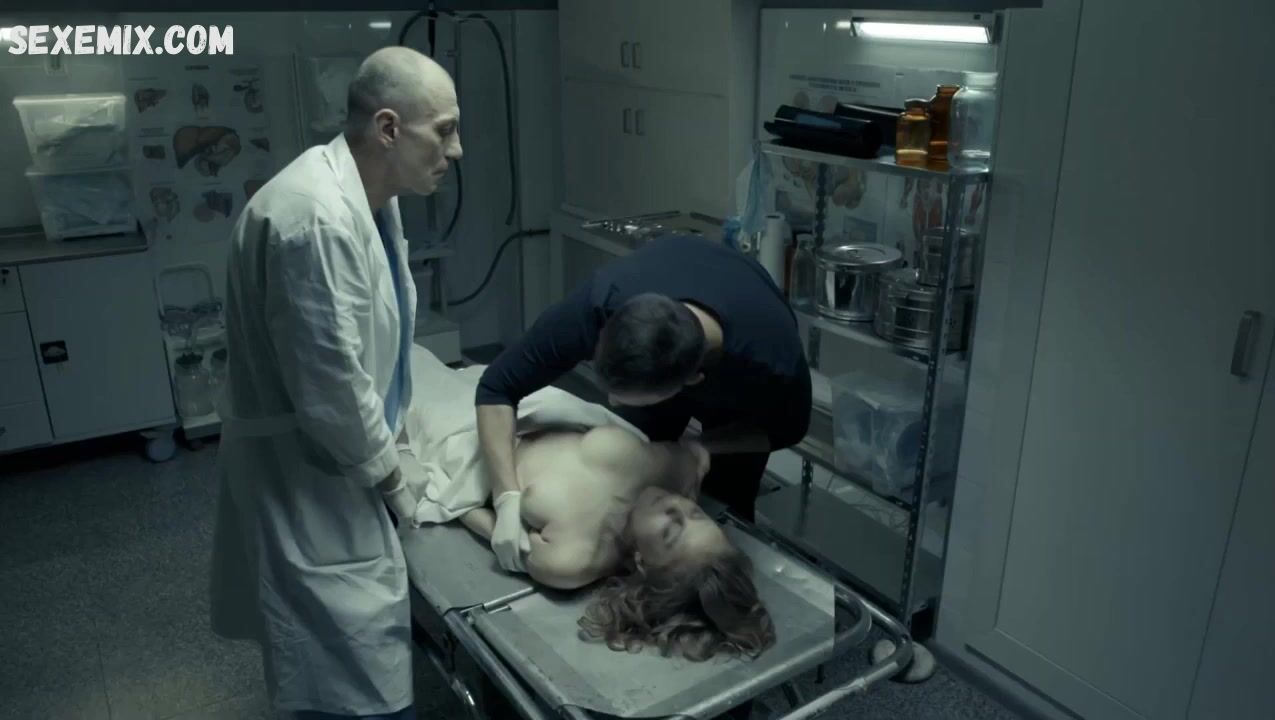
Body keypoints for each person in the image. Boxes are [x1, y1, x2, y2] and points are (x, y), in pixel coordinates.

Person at [208, 46, 462, 720]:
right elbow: (331, 387)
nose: (456, 149)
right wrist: (391, 479)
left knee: (350, 651)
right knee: (351, 668)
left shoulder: (371, 200)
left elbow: (369, 348)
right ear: (387, 128)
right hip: (308, 472)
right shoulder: (314, 219)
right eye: (443, 130)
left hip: (336, 459)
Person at [397, 346, 776, 662]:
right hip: (506, 403)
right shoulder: (669, 473)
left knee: (394, 363)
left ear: (642, 563)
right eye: (695, 512)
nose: (676, 505)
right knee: (406, 350)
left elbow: (500, 536)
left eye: (671, 530)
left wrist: (480, 502)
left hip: (458, 438)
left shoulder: (572, 559)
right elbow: (712, 446)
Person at [475, 233, 813, 573]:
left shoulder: (771, 363)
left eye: (622, 395)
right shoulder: (600, 304)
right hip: (679, 275)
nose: (609, 402)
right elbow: (496, 386)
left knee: (723, 507)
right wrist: (506, 498)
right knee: (640, 465)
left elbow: (788, 430)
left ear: (691, 381)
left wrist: (702, 447)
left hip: (741, 364)